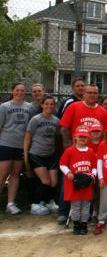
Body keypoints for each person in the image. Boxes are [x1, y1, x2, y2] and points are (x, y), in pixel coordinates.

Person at [23, 95, 60, 215]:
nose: (49, 106)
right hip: (36, 154)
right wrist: (26, 157)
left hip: (50, 154)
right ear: (42, 105)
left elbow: (56, 139)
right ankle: (35, 203)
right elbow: (27, 138)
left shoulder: (56, 120)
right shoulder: (36, 119)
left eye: (52, 104)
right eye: (47, 104)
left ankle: (48, 201)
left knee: (53, 182)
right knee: (45, 181)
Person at [0, 83, 32, 215]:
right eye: (17, 90)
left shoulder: (29, 107)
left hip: (20, 145)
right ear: (12, 91)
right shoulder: (5, 107)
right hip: (6, 143)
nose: (20, 93)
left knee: (15, 174)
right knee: (2, 174)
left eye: (22, 91)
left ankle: (11, 203)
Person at [59, 125, 97, 235]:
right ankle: (76, 224)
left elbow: (94, 166)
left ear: (88, 138)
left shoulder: (90, 151)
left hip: (86, 183)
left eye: (84, 137)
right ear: (75, 137)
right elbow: (62, 164)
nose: (82, 139)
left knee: (86, 205)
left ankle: (84, 224)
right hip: (74, 182)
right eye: (80, 137)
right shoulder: (70, 151)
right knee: (75, 205)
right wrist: (68, 173)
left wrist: (93, 175)